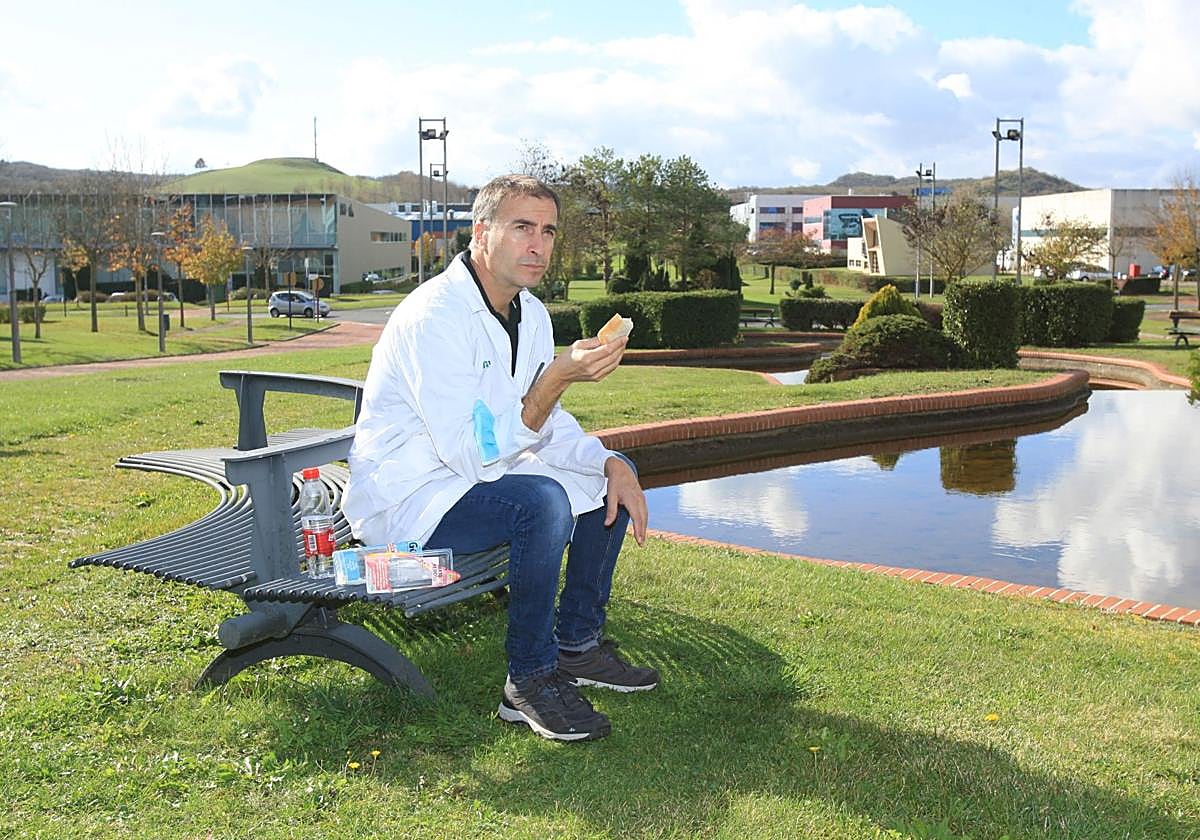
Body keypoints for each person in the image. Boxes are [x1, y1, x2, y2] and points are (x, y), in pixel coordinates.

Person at [343, 174, 658, 742]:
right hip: (413, 497)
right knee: (541, 501)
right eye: (522, 228)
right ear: (481, 232)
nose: (538, 245)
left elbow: (545, 425)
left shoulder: (530, 314)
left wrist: (608, 460)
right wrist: (556, 378)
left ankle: (578, 645)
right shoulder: (435, 317)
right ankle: (529, 680)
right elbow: (472, 455)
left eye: (548, 231)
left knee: (607, 474)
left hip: (477, 475)